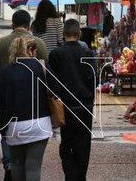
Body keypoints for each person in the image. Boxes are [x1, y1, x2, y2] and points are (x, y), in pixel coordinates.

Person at [0, 10, 48, 181]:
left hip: (12, 115)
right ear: (29, 25)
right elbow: (48, 81)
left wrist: (7, 97)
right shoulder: (38, 43)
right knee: (33, 166)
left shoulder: (1, 43)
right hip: (39, 116)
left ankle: (8, 165)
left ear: (12, 24)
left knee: (16, 163)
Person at [49, 19, 96, 181]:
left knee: (66, 144)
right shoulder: (88, 54)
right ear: (79, 34)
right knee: (83, 146)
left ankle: (70, 175)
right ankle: (80, 177)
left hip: (65, 106)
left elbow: (52, 83)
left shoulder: (56, 54)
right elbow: (93, 80)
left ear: (63, 34)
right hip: (85, 106)